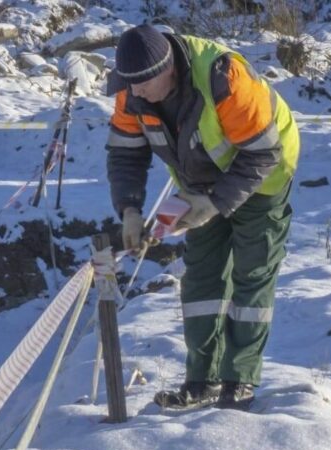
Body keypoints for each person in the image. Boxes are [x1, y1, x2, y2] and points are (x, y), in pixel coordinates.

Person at [106, 24, 299, 411]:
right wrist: (129, 210)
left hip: (263, 178)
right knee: (201, 280)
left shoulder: (223, 76)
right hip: (200, 183)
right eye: (131, 85)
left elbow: (262, 154)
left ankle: (238, 381)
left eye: (144, 83)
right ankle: (201, 381)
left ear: (169, 68)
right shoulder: (132, 90)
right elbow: (126, 154)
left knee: (251, 275)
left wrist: (215, 204)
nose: (136, 92)